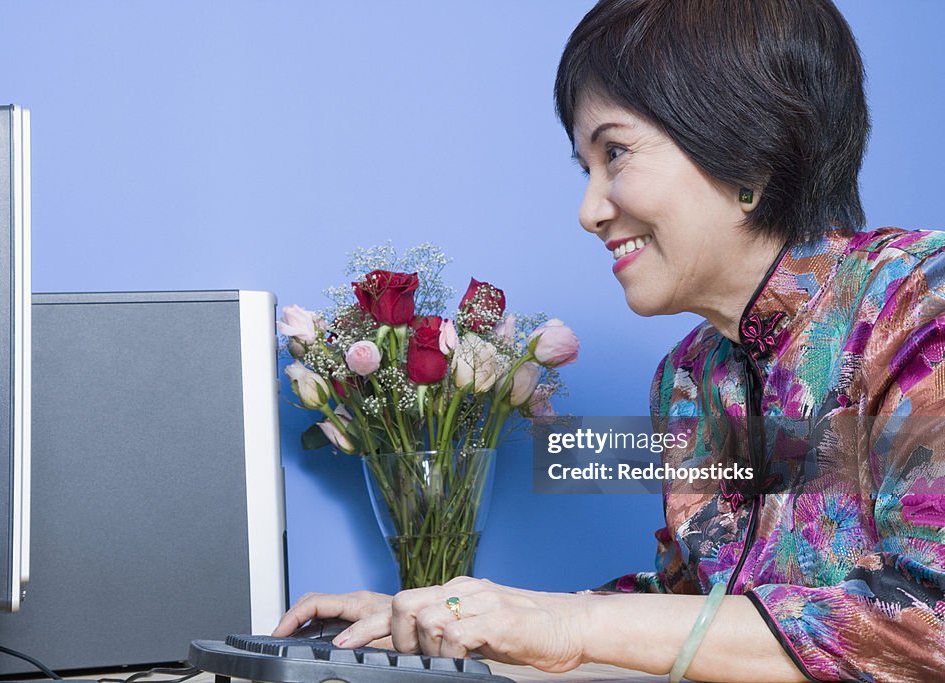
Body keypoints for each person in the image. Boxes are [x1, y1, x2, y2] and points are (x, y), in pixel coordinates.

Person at [273, 1, 945, 680]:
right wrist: (452, 617)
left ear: (749, 147)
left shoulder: (922, 305)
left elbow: (928, 622)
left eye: (615, 153)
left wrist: (570, 623)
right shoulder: (689, 377)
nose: (590, 210)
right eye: (586, 167)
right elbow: (691, 612)